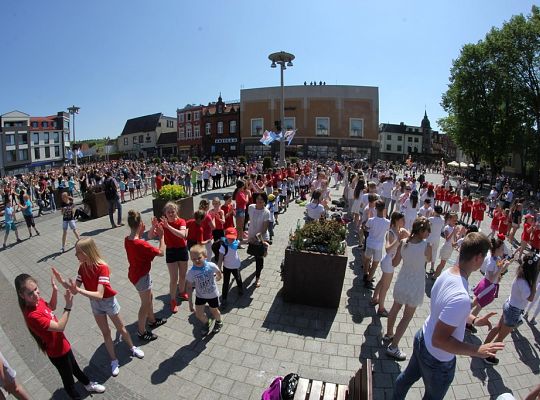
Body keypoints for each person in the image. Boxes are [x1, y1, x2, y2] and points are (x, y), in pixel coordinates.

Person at [392, 232, 504, 400]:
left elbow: (446, 310)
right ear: (478, 258)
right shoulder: (461, 296)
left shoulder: (448, 273)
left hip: (422, 338)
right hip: (437, 359)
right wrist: (476, 350)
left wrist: (474, 319)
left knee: (405, 379)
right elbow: (440, 339)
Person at [51, 238, 144, 377]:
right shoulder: (82, 267)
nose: (75, 255)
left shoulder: (102, 267)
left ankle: (132, 347)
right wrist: (62, 281)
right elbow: (75, 289)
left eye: (78, 252)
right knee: (106, 333)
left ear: (86, 252)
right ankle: (114, 360)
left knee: (121, 328)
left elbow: (100, 294)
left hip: (107, 301)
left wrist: (78, 290)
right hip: (95, 304)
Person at [15, 273, 106, 399]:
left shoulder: (38, 301)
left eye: (36, 289)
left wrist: (54, 290)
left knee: (75, 367)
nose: (36, 294)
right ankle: (75, 396)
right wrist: (68, 306)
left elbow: (51, 307)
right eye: (30, 293)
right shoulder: (32, 316)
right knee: (68, 378)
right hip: (57, 353)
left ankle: (88, 384)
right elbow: (59, 327)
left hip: (63, 344)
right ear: (21, 295)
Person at [385, 217, 432, 361]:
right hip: (416, 283)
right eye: (427, 230)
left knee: (395, 308)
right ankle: (393, 346)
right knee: (407, 316)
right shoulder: (427, 246)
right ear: (422, 231)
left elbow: (394, 263)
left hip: (402, 280)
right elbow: (428, 260)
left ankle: (389, 334)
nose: (429, 233)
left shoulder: (404, 243)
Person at [482, 254, 539, 365]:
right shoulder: (524, 282)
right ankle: (488, 356)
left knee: (498, 328)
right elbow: (531, 298)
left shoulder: (521, 275)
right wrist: (534, 283)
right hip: (513, 311)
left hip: (509, 305)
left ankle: (484, 347)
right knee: (501, 337)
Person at [124, 210, 167, 341]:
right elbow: (160, 252)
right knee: (145, 304)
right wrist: (162, 236)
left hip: (135, 274)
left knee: (150, 297)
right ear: (141, 223)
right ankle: (141, 331)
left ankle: (152, 320)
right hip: (141, 276)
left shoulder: (128, 239)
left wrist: (152, 228)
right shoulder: (140, 244)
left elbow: (143, 238)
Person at [152, 202, 189, 313]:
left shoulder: (181, 221)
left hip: (182, 250)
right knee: (174, 279)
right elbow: (151, 235)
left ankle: (182, 292)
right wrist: (154, 228)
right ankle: (173, 300)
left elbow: (182, 235)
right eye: (169, 212)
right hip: (171, 251)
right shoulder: (163, 223)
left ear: (176, 211)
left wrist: (168, 227)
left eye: (173, 211)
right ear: (165, 214)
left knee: (183, 275)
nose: (171, 214)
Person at [370, 211, 408, 317]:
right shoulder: (390, 232)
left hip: (389, 262)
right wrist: (398, 240)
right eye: (402, 220)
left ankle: (374, 299)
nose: (404, 221)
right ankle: (381, 309)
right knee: (385, 287)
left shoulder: (402, 230)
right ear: (396, 220)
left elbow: (411, 239)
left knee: (382, 281)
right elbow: (387, 249)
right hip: (388, 262)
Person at [186, 245, 224, 335]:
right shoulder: (191, 272)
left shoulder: (211, 266)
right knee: (198, 314)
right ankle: (207, 322)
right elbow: (189, 287)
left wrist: (219, 277)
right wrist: (190, 302)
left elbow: (218, 272)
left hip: (212, 294)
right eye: (193, 259)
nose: (196, 261)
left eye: (199, 258)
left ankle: (219, 321)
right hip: (200, 295)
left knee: (214, 310)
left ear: (205, 256)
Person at [247, 192, 271, 288]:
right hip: (252, 236)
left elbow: (264, 230)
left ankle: (257, 279)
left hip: (262, 238)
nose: (259, 201)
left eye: (261, 199)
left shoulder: (266, 212)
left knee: (259, 259)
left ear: (265, 201)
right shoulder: (251, 207)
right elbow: (251, 221)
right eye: (258, 198)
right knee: (255, 254)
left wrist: (255, 238)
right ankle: (259, 267)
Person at [364, 200, 390, 285]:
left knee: (367, 260)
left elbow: (366, 228)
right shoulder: (387, 222)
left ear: (375, 208)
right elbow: (387, 231)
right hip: (378, 246)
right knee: (375, 264)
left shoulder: (371, 220)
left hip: (370, 243)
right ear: (384, 209)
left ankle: (365, 275)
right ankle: (369, 279)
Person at [216, 227, 243, 307]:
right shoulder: (223, 246)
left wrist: (251, 239)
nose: (231, 240)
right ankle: (224, 299)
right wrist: (218, 270)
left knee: (238, 278)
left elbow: (243, 241)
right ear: (226, 236)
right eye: (229, 238)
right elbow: (220, 259)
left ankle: (240, 288)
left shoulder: (236, 242)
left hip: (236, 266)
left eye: (233, 238)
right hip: (227, 267)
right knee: (225, 283)